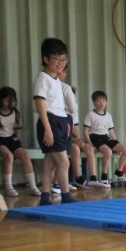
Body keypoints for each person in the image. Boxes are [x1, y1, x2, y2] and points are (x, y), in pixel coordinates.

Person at [33, 37, 77, 205]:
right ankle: (65, 195)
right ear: (45, 59)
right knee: (64, 161)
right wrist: (47, 128)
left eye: (63, 59)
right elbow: (40, 103)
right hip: (50, 122)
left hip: (60, 121)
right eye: (56, 59)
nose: (60, 63)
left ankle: (45, 196)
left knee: (50, 162)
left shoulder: (57, 80)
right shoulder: (42, 78)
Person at [56, 66, 107, 189]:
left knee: (89, 148)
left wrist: (79, 140)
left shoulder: (74, 111)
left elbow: (75, 128)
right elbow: (62, 132)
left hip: (72, 138)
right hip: (63, 139)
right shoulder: (59, 111)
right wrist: (75, 141)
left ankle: (93, 178)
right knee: (75, 148)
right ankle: (78, 178)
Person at [0, 87, 41, 197]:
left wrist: (17, 143)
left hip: (10, 138)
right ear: (0, 99)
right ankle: (9, 187)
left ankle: (33, 187)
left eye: (12, 100)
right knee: (9, 156)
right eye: (7, 100)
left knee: (25, 155)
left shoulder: (16, 113)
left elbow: (17, 131)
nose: (10, 103)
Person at [83, 90, 126, 186]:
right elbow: (85, 131)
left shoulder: (108, 115)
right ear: (94, 102)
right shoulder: (90, 114)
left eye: (104, 101)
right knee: (108, 151)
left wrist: (117, 144)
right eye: (99, 101)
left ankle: (119, 171)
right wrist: (91, 144)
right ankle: (104, 175)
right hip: (95, 137)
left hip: (106, 137)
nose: (102, 103)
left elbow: (111, 131)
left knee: (125, 149)